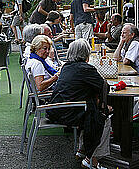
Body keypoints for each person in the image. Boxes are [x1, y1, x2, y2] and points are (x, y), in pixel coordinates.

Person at [47, 39, 111, 169]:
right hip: (68, 112)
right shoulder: (86, 69)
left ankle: (82, 150)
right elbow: (103, 86)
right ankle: (92, 159)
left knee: (92, 111)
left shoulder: (66, 67)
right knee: (102, 118)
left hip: (56, 110)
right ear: (86, 53)